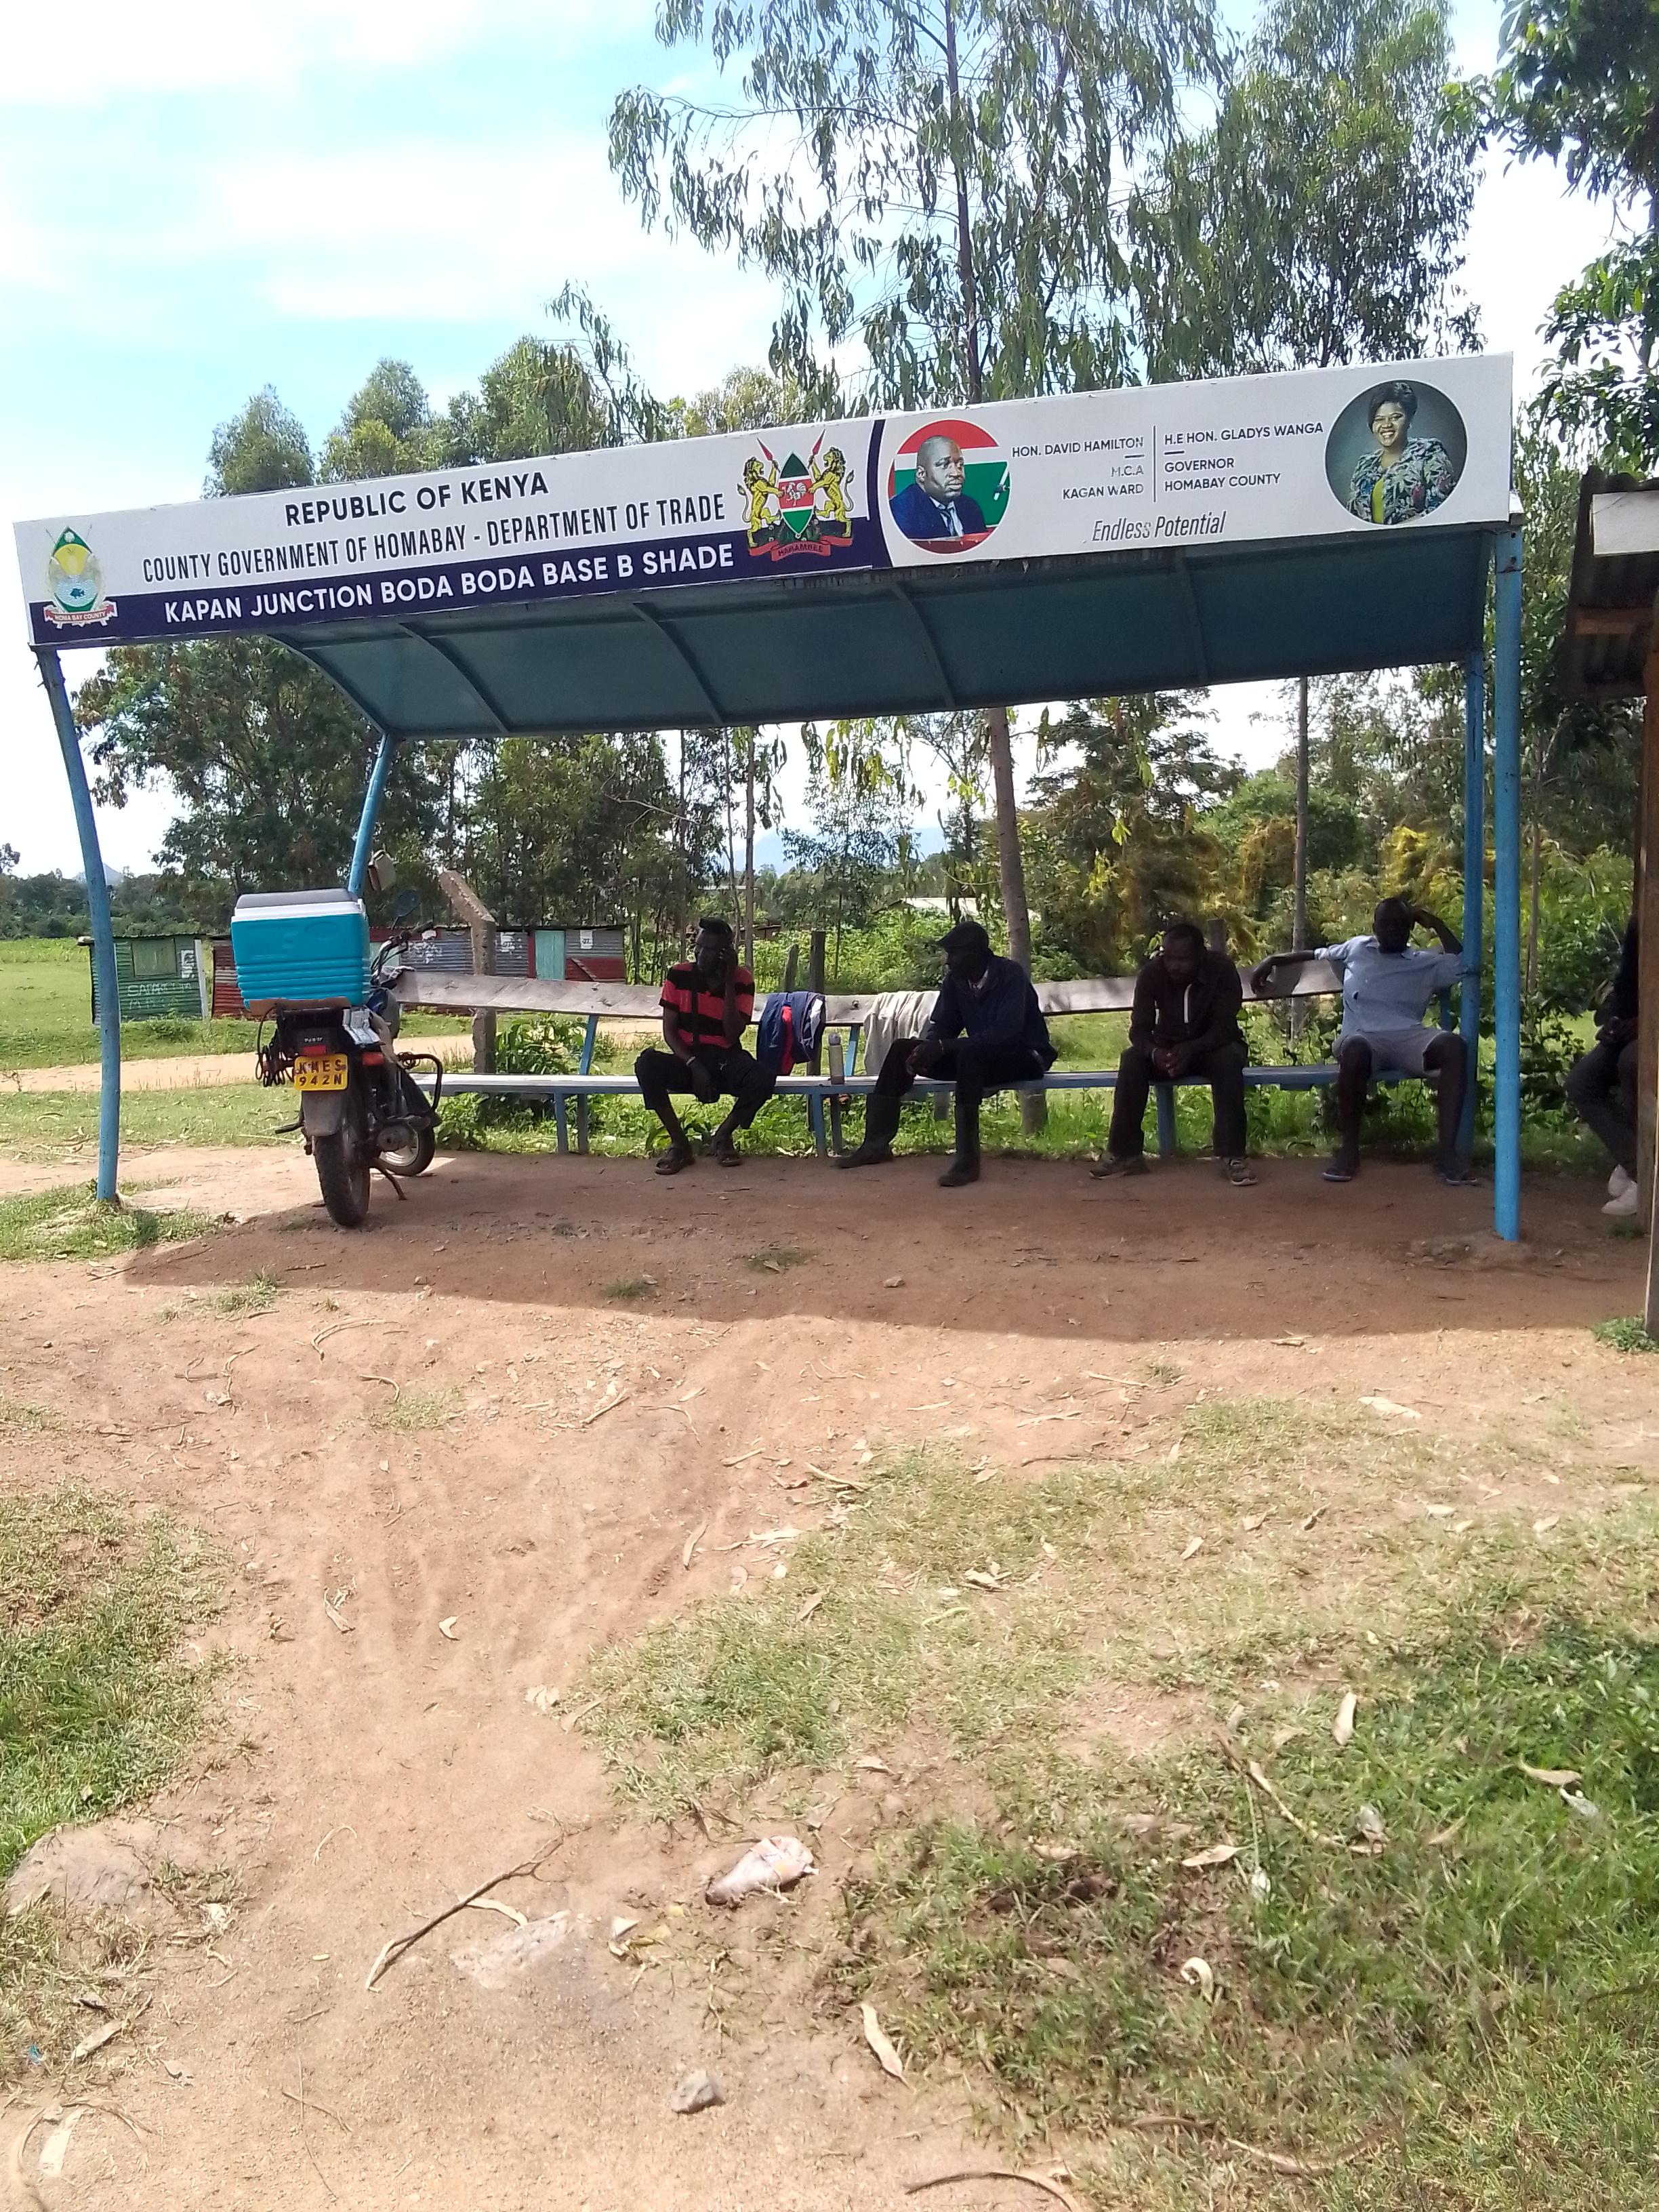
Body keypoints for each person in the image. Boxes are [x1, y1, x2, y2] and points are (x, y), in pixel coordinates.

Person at [1252, 897, 1471, 1184]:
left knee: (1454, 1047)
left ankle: (1446, 1155)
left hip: (1409, 1037)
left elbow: (1463, 963)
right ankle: (1349, 1152)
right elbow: (1316, 954)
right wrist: (1272, 960)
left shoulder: (1426, 963)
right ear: (1375, 927)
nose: (1393, 930)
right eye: (1386, 924)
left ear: (1410, 929)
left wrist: (1437, 924)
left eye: (1401, 924)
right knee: (1354, 1051)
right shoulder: (1358, 948)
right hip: (1363, 1036)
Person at [835, 917, 1053, 1185]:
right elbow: (943, 1024)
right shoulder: (957, 981)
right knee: (904, 1049)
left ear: (976, 954)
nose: (948, 961)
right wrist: (930, 1046)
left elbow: (1005, 1035)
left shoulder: (1010, 975)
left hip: (1025, 1056)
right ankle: (875, 1144)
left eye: (954, 954)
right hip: (980, 1058)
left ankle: (967, 1162)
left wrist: (945, 1047)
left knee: (970, 1056)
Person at [1091, 920, 1254, 1186]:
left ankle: (1233, 1157)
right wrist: (1154, 1052)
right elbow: (1140, 1030)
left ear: (1200, 955)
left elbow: (1225, 1026)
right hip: (1168, 1051)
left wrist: (1193, 1048)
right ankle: (1124, 1153)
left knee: (1229, 1060)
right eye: (1168, 958)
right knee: (1132, 1059)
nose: (1174, 966)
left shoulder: (1221, 970)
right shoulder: (1152, 974)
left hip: (1212, 1047)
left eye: (1182, 959)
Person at [635, 918, 775, 1174]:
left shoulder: (742, 980)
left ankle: (722, 1136)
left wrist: (730, 981)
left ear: (725, 953)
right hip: (688, 1059)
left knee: (763, 1078)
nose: (700, 953)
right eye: (698, 946)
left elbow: (733, 1034)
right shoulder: (679, 975)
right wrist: (694, 1065)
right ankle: (680, 1143)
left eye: (710, 949)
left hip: (724, 1059)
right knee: (647, 1064)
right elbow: (670, 1031)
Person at [1565, 918, 1639, 1217]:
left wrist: (1645, 1023)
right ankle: (1636, 1158)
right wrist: (1616, 1020)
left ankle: (1644, 1176)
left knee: (1632, 1062)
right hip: (1634, 1029)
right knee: (1581, 1082)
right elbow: (1626, 983)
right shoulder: (1644, 920)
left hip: (1648, 1032)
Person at [1347, 382, 1458, 527]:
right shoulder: (1365, 464)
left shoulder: (1429, 452)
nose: (1387, 424)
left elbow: (1440, 509)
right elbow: (1352, 517)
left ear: (1409, 419)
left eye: (1395, 417)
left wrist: (1396, 533)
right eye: (1379, 419)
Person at [889, 435, 988, 544]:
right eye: (944, 465)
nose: (956, 473)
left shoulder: (970, 507)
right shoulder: (901, 511)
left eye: (960, 465)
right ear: (921, 474)